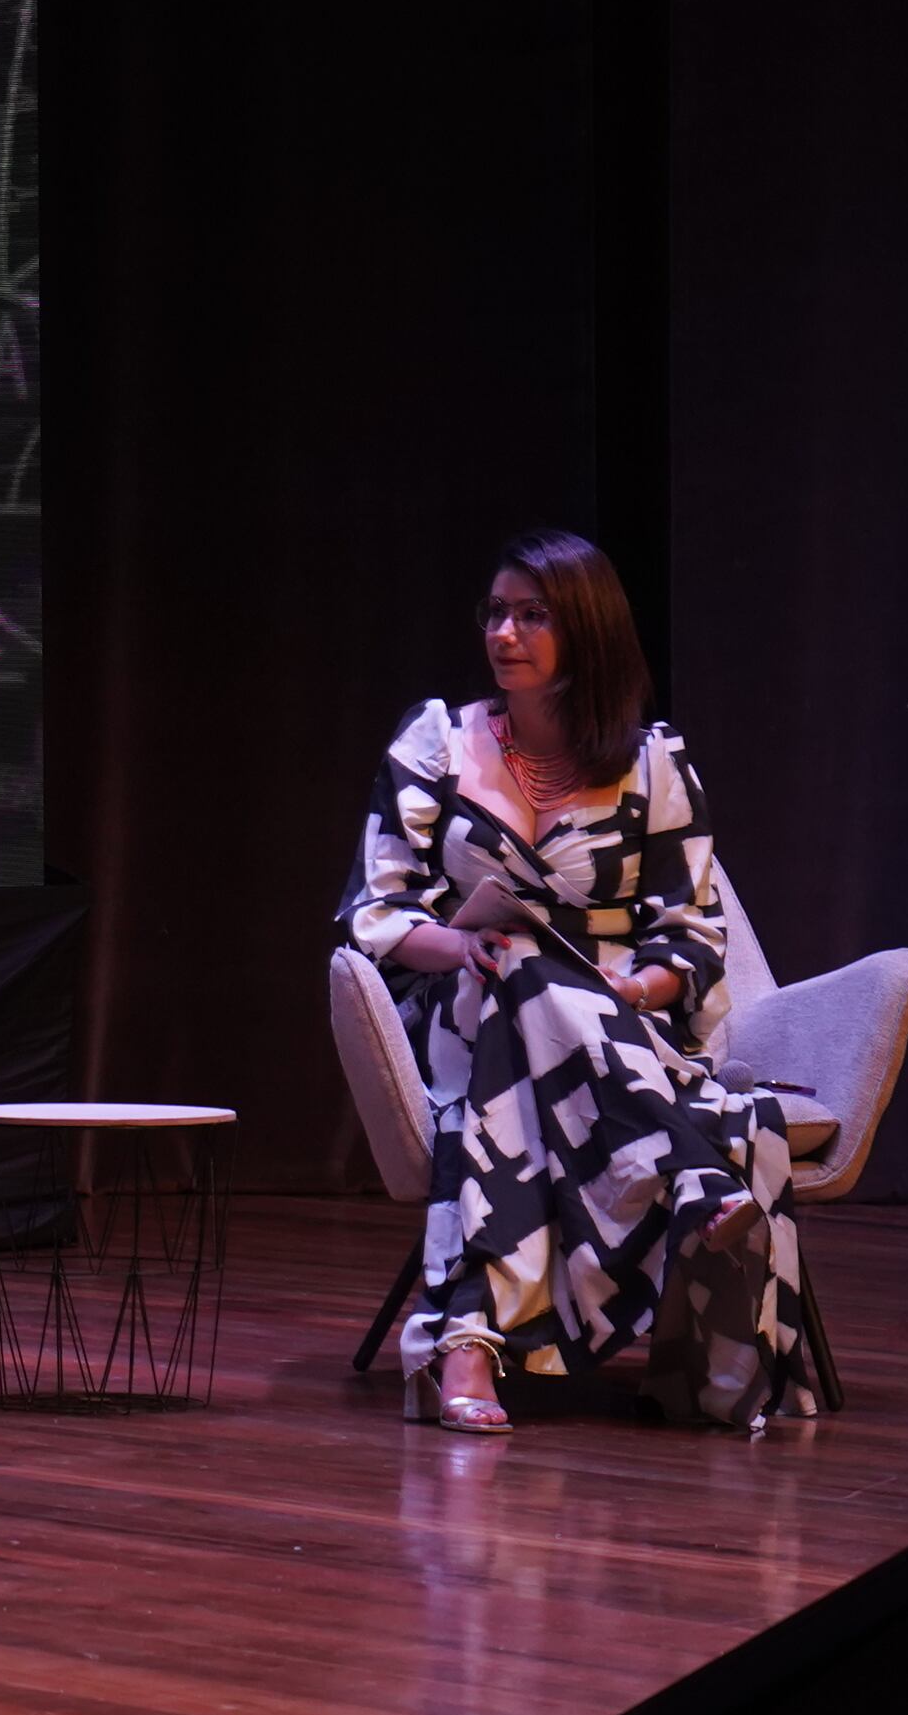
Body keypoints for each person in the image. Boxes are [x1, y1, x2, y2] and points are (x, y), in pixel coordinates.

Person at [343, 528, 814, 1438]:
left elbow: (690, 929)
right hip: (461, 999)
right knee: (515, 961)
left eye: (533, 615)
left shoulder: (654, 763)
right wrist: (458, 944)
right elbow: (378, 908)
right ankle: (686, 1171)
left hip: (619, 1025)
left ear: (588, 628)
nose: (503, 632)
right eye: (496, 612)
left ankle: (469, 1344)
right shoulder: (437, 743)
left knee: (523, 1018)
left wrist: (635, 991)